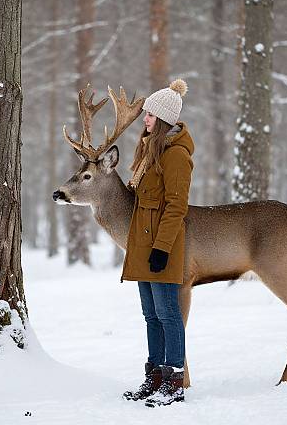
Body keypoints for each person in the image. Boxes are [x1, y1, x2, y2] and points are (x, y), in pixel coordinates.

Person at [121, 79, 194, 407]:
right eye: (146, 113)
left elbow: (176, 206)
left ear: (163, 119)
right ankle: (155, 379)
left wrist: (162, 249)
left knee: (168, 313)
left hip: (161, 246)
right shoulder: (149, 151)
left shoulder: (176, 155)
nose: (145, 119)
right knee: (150, 315)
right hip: (141, 244)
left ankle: (174, 380)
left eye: (150, 114)